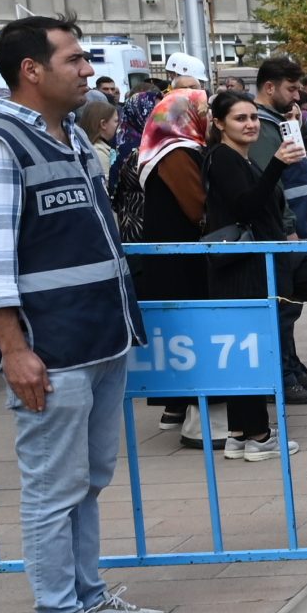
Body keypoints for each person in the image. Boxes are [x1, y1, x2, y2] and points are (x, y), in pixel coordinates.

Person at [0, 17, 167, 613]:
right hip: (49, 350)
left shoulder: (72, 137)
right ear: (31, 70)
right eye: (74, 60)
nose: (86, 71)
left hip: (100, 339)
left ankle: (88, 594)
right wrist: (14, 350)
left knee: (88, 477)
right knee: (52, 486)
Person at [203, 90, 306, 461]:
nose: (249, 124)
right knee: (249, 349)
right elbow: (246, 206)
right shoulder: (222, 157)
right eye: (239, 119)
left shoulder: (238, 158)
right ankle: (258, 435)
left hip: (248, 264)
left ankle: (241, 432)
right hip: (242, 267)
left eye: (253, 118)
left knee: (244, 349)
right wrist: (277, 164)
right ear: (219, 123)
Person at [129, 90, 217, 447]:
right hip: (180, 255)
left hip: (170, 254)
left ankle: (176, 406)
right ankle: (186, 408)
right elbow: (197, 205)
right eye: (203, 110)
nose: (208, 116)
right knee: (188, 325)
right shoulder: (177, 152)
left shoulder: (164, 148)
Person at [246, 57, 307, 406]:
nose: (297, 95)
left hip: (296, 229)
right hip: (283, 231)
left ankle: (291, 363)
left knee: (291, 300)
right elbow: (273, 180)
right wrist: (289, 228)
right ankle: (284, 372)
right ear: (269, 87)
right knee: (283, 303)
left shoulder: (278, 120)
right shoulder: (261, 125)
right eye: (291, 88)